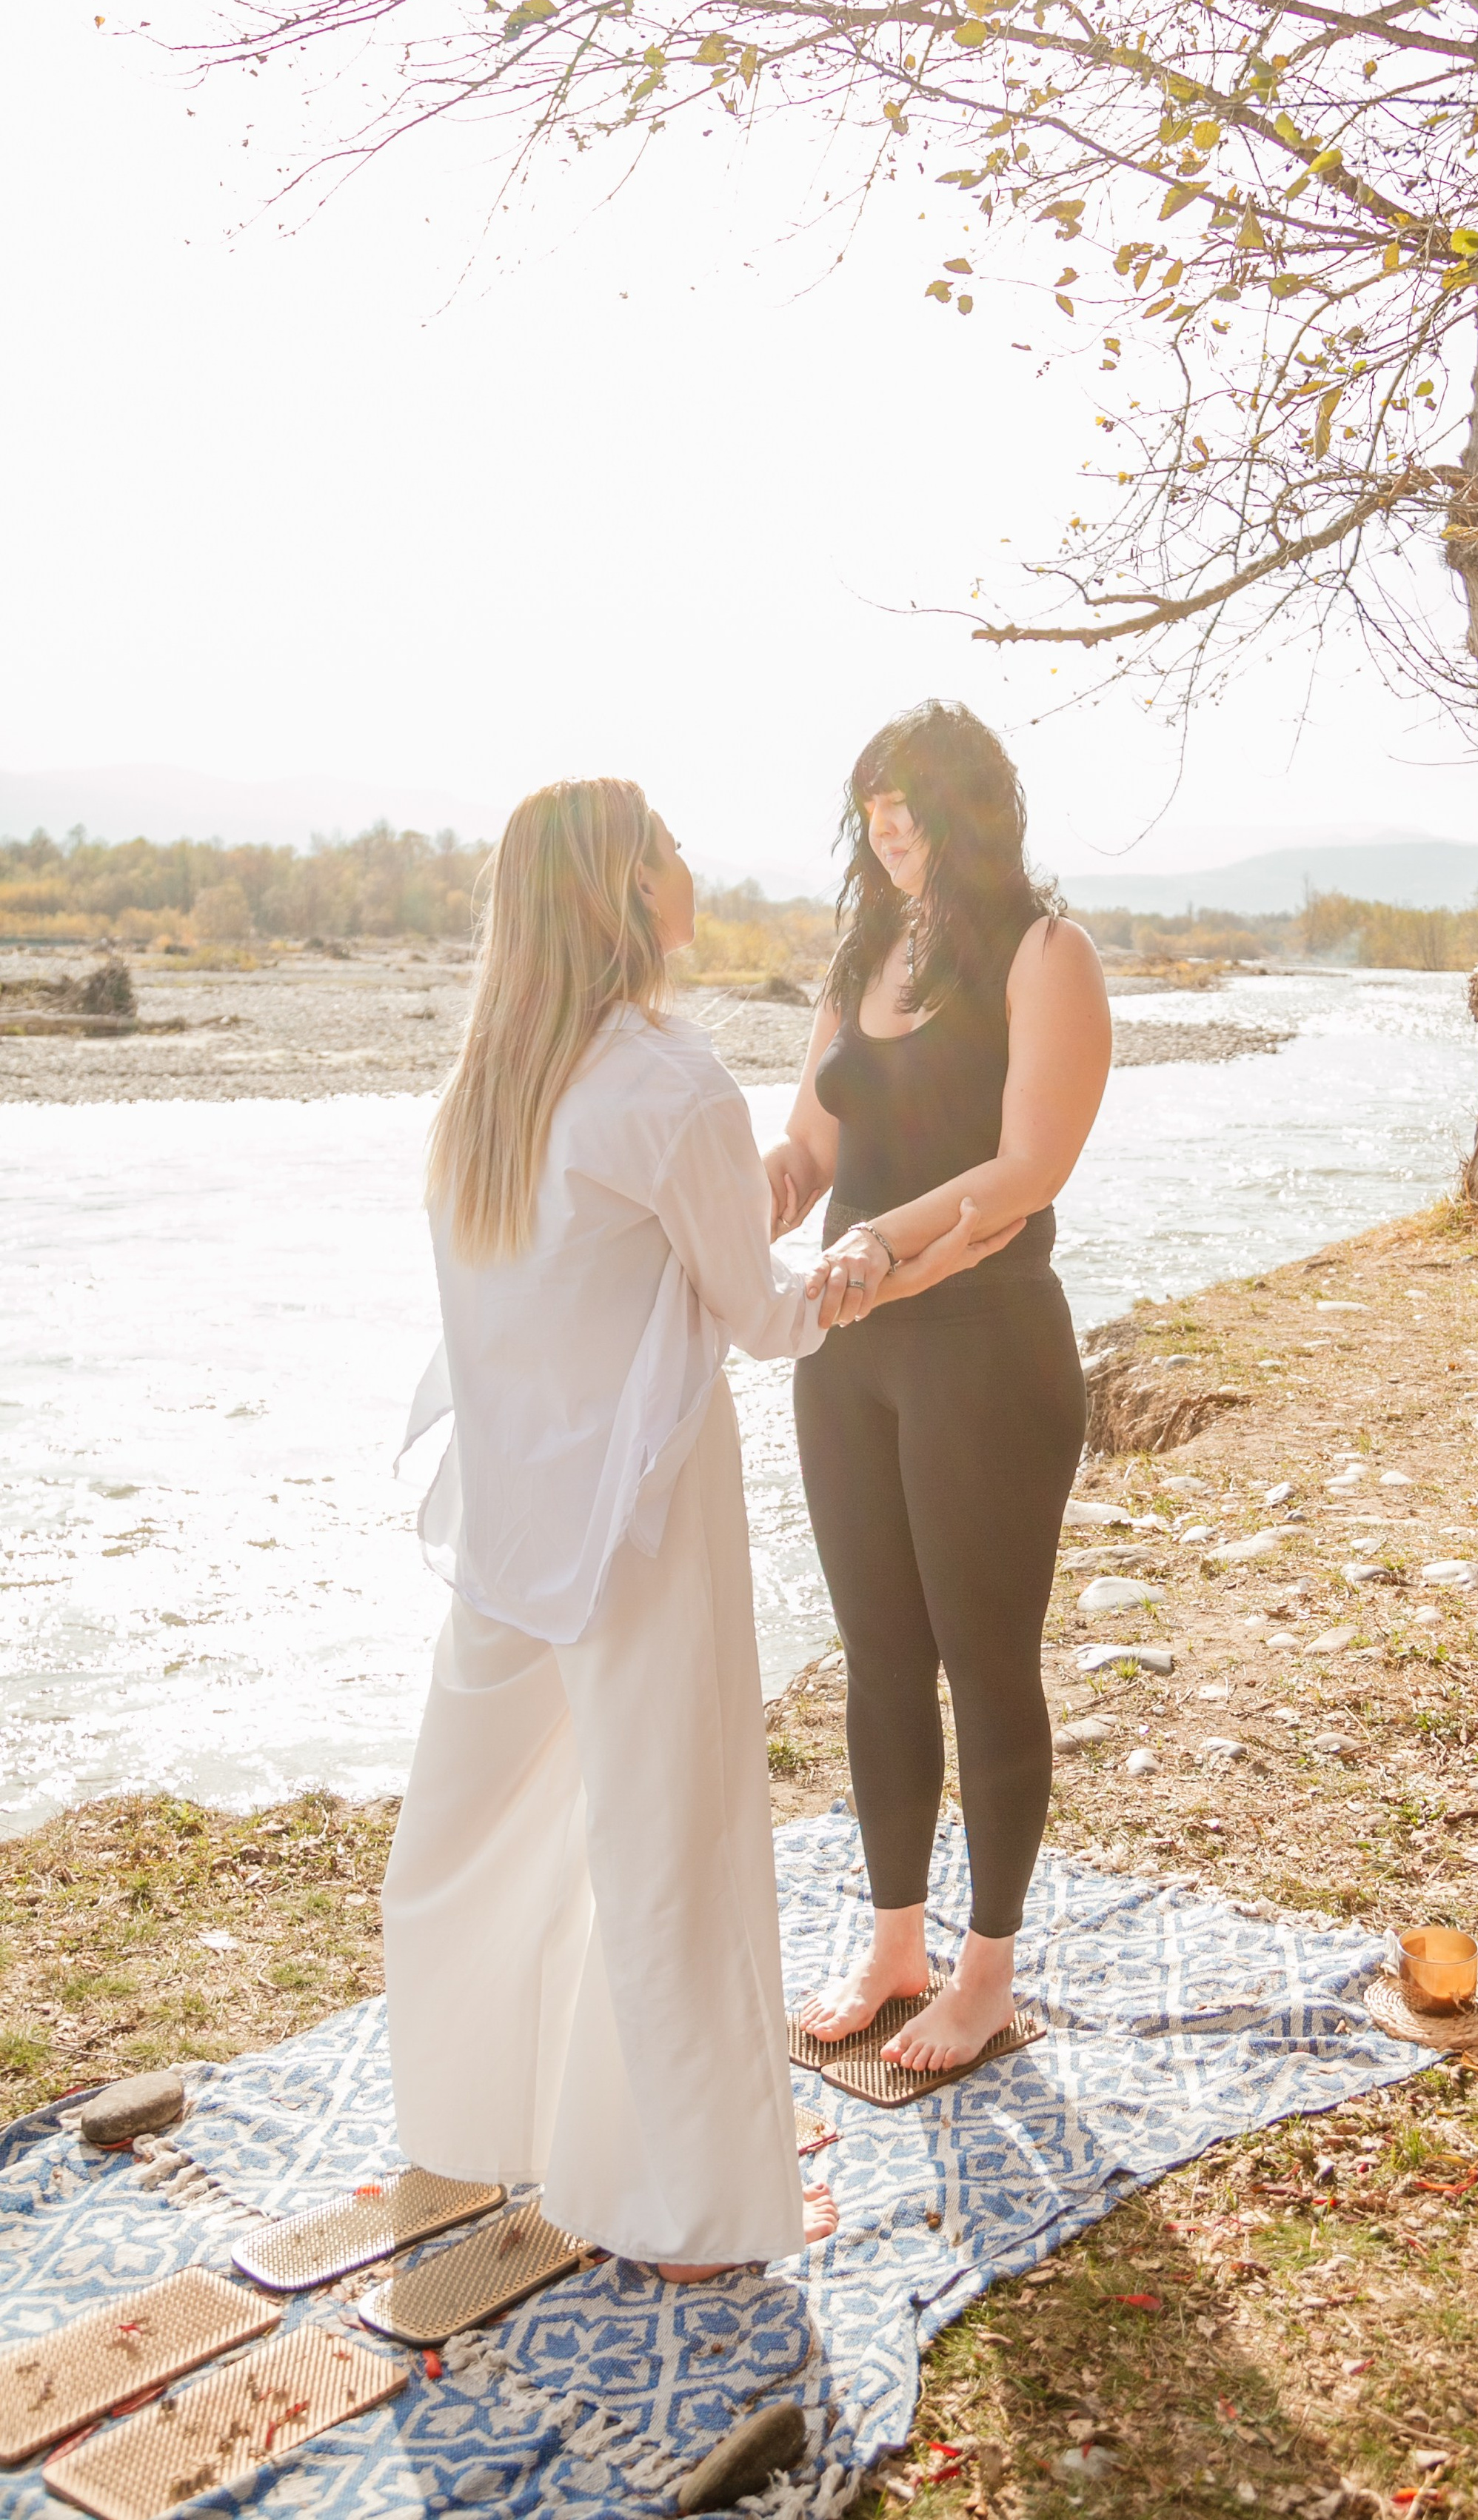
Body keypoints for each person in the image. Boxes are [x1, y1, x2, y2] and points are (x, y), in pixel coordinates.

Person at [384, 776, 1000, 2278]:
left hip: (508, 1518)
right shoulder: (669, 1081)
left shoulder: (488, 1087)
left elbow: (586, 1285)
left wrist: (759, 1209)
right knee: (673, 1842)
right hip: (639, 1520)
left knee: (468, 1824)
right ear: (625, 891)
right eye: (665, 846)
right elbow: (766, 1317)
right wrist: (882, 1260)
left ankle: (467, 2125)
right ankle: (687, 2209)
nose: (688, 863)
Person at [767, 701, 1112, 2076]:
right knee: (878, 1657)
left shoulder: (1046, 953)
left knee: (986, 1662)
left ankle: (987, 1976)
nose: (888, 824)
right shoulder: (862, 954)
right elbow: (806, 1152)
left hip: (987, 1349)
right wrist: (727, 1197)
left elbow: (1028, 1169)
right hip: (847, 1353)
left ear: (974, 805)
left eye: (909, 798)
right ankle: (896, 1947)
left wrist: (875, 1244)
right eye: (871, 803)